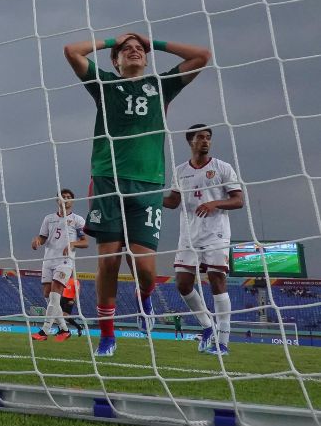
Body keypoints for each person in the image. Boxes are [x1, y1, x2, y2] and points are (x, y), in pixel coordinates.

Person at [64, 32, 211, 357]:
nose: (133, 52)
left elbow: (202, 55)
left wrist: (153, 42)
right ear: (115, 61)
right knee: (109, 261)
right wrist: (113, 39)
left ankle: (144, 297)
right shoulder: (105, 85)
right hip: (108, 181)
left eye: (138, 50)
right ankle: (107, 335)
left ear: (146, 59)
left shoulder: (161, 85)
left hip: (147, 185)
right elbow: (72, 51)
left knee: (145, 269)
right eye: (126, 50)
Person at [164, 124, 243, 356]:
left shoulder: (222, 167)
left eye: (208, 137)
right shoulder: (180, 171)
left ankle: (223, 342)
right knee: (182, 283)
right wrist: (148, 199)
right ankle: (208, 326)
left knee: (217, 280)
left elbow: (238, 200)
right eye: (201, 137)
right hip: (189, 234)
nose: (206, 141)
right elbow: (173, 202)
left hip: (216, 233)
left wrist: (214, 203)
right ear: (191, 141)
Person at [31, 189, 87, 342]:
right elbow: (43, 237)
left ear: (72, 201)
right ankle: (64, 330)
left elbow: (85, 242)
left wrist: (72, 244)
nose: (66, 200)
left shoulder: (77, 220)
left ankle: (44, 331)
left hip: (65, 262)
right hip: (48, 260)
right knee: (49, 296)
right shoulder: (49, 219)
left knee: (55, 295)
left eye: (69, 198)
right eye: (63, 197)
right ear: (58, 200)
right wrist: (37, 241)